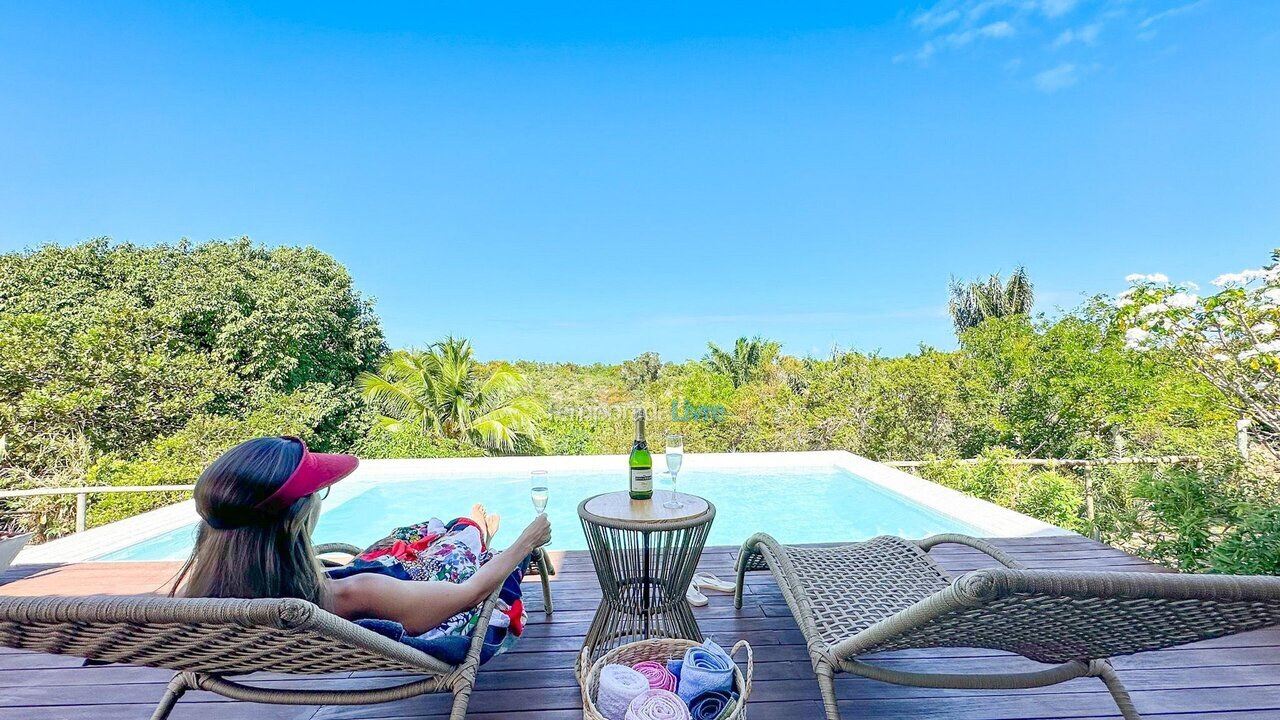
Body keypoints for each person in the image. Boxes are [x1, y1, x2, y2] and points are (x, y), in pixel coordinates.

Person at [172, 435, 552, 641]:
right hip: (422, 591)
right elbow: (465, 594)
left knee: (416, 540)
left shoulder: (190, 609)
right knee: (452, 547)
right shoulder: (353, 594)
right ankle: (477, 532)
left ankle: (469, 529)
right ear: (295, 521)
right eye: (318, 493)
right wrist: (527, 541)